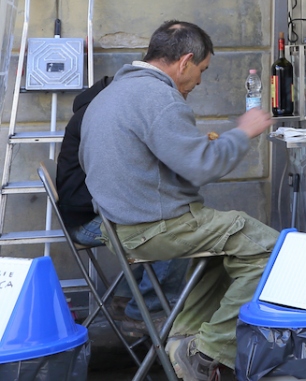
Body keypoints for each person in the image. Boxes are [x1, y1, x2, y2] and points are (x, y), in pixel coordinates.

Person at [81, 21, 276, 381]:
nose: (199, 81)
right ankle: (208, 350)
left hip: (119, 226)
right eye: (202, 70)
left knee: (227, 250)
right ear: (185, 61)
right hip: (154, 228)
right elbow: (203, 167)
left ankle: (184, 342)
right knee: (271, 251)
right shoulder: (159, 97)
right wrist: (243, 131)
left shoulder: (111, 93)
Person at [55, 75, 188, 329]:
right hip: (87, 220)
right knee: (177, 233)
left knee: (163, 220)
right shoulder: (104, 115)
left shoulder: (101, 107)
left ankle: (126, 297)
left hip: (86, 212)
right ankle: (146, 311)